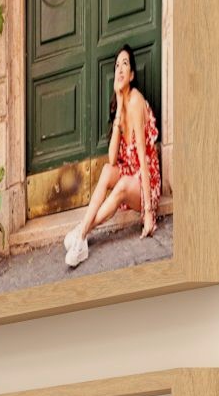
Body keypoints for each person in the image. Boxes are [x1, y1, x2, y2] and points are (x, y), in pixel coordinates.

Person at [65, 44, 167, 271]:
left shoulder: (137, 101)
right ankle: (81, 234)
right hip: (130, 174)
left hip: (145, 184)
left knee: (120, 185)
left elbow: (142, 155)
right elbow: (112, 160)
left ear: (131, 75)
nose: (120, 69)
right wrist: (119, 110)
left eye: (125, 64)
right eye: (117, 65)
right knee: (106, 172)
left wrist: (149, 212)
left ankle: (81, 234)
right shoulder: (122, 105)